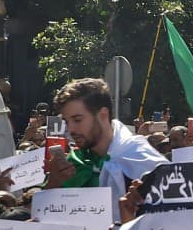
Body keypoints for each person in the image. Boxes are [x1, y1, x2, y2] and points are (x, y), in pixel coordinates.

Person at [41, 78, 167, 207]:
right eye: (66, 122)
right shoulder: (73, 163)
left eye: (77, 120)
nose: (70, 129)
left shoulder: (140, 158)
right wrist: (54, 183)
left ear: (103, 115)